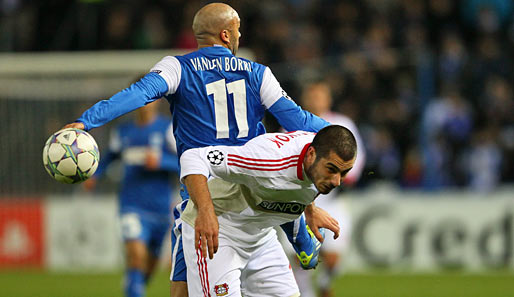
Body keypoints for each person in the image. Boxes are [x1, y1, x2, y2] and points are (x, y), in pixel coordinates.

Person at [64, 3, 332, 296]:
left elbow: (138, 94)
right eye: (238, 28)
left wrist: (86, 121)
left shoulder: (177, 67)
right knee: (273, 173)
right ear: (226, 35)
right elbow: (298, 121)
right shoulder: (258, 73)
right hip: (254, 188)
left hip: (204, 193)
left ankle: (295, 225)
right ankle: (295, 226)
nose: (240, 34)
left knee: (180, 290)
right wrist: (339, 135)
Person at [179, 125, 357, 296]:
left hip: (260, 235)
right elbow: (194, 158)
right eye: (332, 170)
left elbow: (292, 187)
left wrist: (310, 209)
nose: (336, 181)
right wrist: (205, 211)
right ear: (311, 154)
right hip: (219, 230)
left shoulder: (322, 159)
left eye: (344, 173)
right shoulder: (268, 160)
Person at [82, 101, 180, 297]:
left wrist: (162, 161)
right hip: (131, 205)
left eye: (151, 101)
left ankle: (132, 286)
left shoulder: (167, 129)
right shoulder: (123, 132)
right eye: (142, 102)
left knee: (148, 268)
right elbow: (110, 157)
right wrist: (95, 174)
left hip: (160, 209)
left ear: (157, 103)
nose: (146, 106)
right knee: (136, 257)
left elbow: (185, 163)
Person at [296, 82, 366, 297]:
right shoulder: (294, 124)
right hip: (301, 201)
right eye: (312, 95)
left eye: (320, 95)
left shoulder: (342, 124)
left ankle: (325, 283)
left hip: (333, 200)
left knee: (334, 255)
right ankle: (306, 293)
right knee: (299, 258)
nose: (315, 100)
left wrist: (344, 181)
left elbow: (358, 158)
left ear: (328, 99)